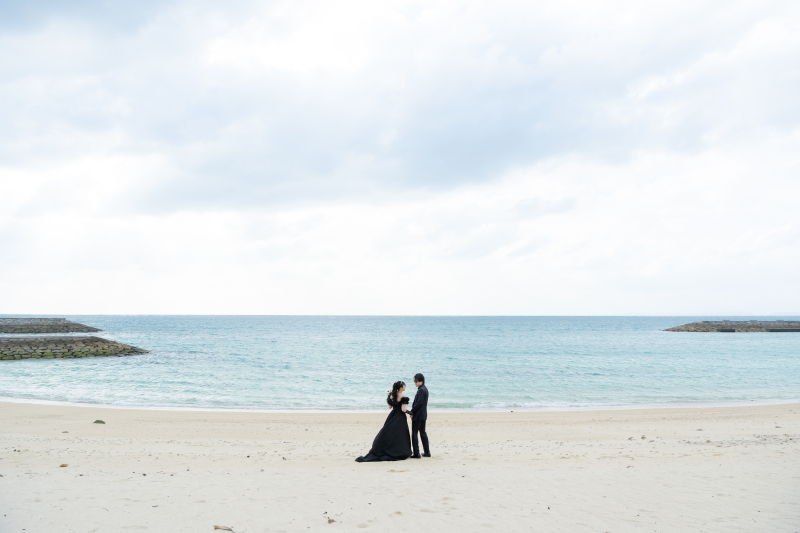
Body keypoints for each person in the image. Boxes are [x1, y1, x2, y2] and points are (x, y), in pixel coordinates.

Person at [355, 381, 412, 462]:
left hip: (392, 416)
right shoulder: (403, 396)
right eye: (404, 386)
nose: (405, 387)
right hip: (400, 417)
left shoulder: (392, 395)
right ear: (400, 388)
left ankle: (387, 449)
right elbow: (403, 409)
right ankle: (400, 451)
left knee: (389, 433)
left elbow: (390, 407)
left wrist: (388, 397)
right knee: (400, 435)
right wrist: (410, 412)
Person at [406, 373, 430, 458]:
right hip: (423, 414)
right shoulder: (425, 389)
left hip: (418, 415)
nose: (415, 383)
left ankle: (416, 453)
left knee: (414, 433)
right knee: (423, 432)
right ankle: (427, 452)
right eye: (414, 381)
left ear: (421, 381)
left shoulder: (421, 390)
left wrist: (412, 412)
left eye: (416, 381)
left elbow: (419, 403)